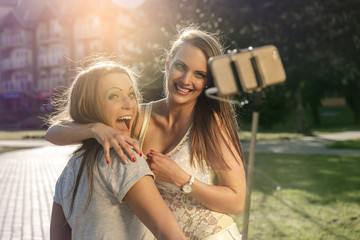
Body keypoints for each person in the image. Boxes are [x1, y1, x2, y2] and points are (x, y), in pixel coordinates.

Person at [46, 27, 246, 239]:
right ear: (168, 63)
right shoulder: (137, 116)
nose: (186, 80)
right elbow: (53, 133)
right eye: (180, 66)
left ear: (207, 81)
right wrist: (96, 129)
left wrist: (181, 178)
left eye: (199, 74)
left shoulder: (211, 123)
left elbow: (237, 202)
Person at [48, 60, 185, 240]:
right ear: (90, 105)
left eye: (131, 94)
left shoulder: (70, 170)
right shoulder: (125, 159)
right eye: (114, 96)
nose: (129, 104)